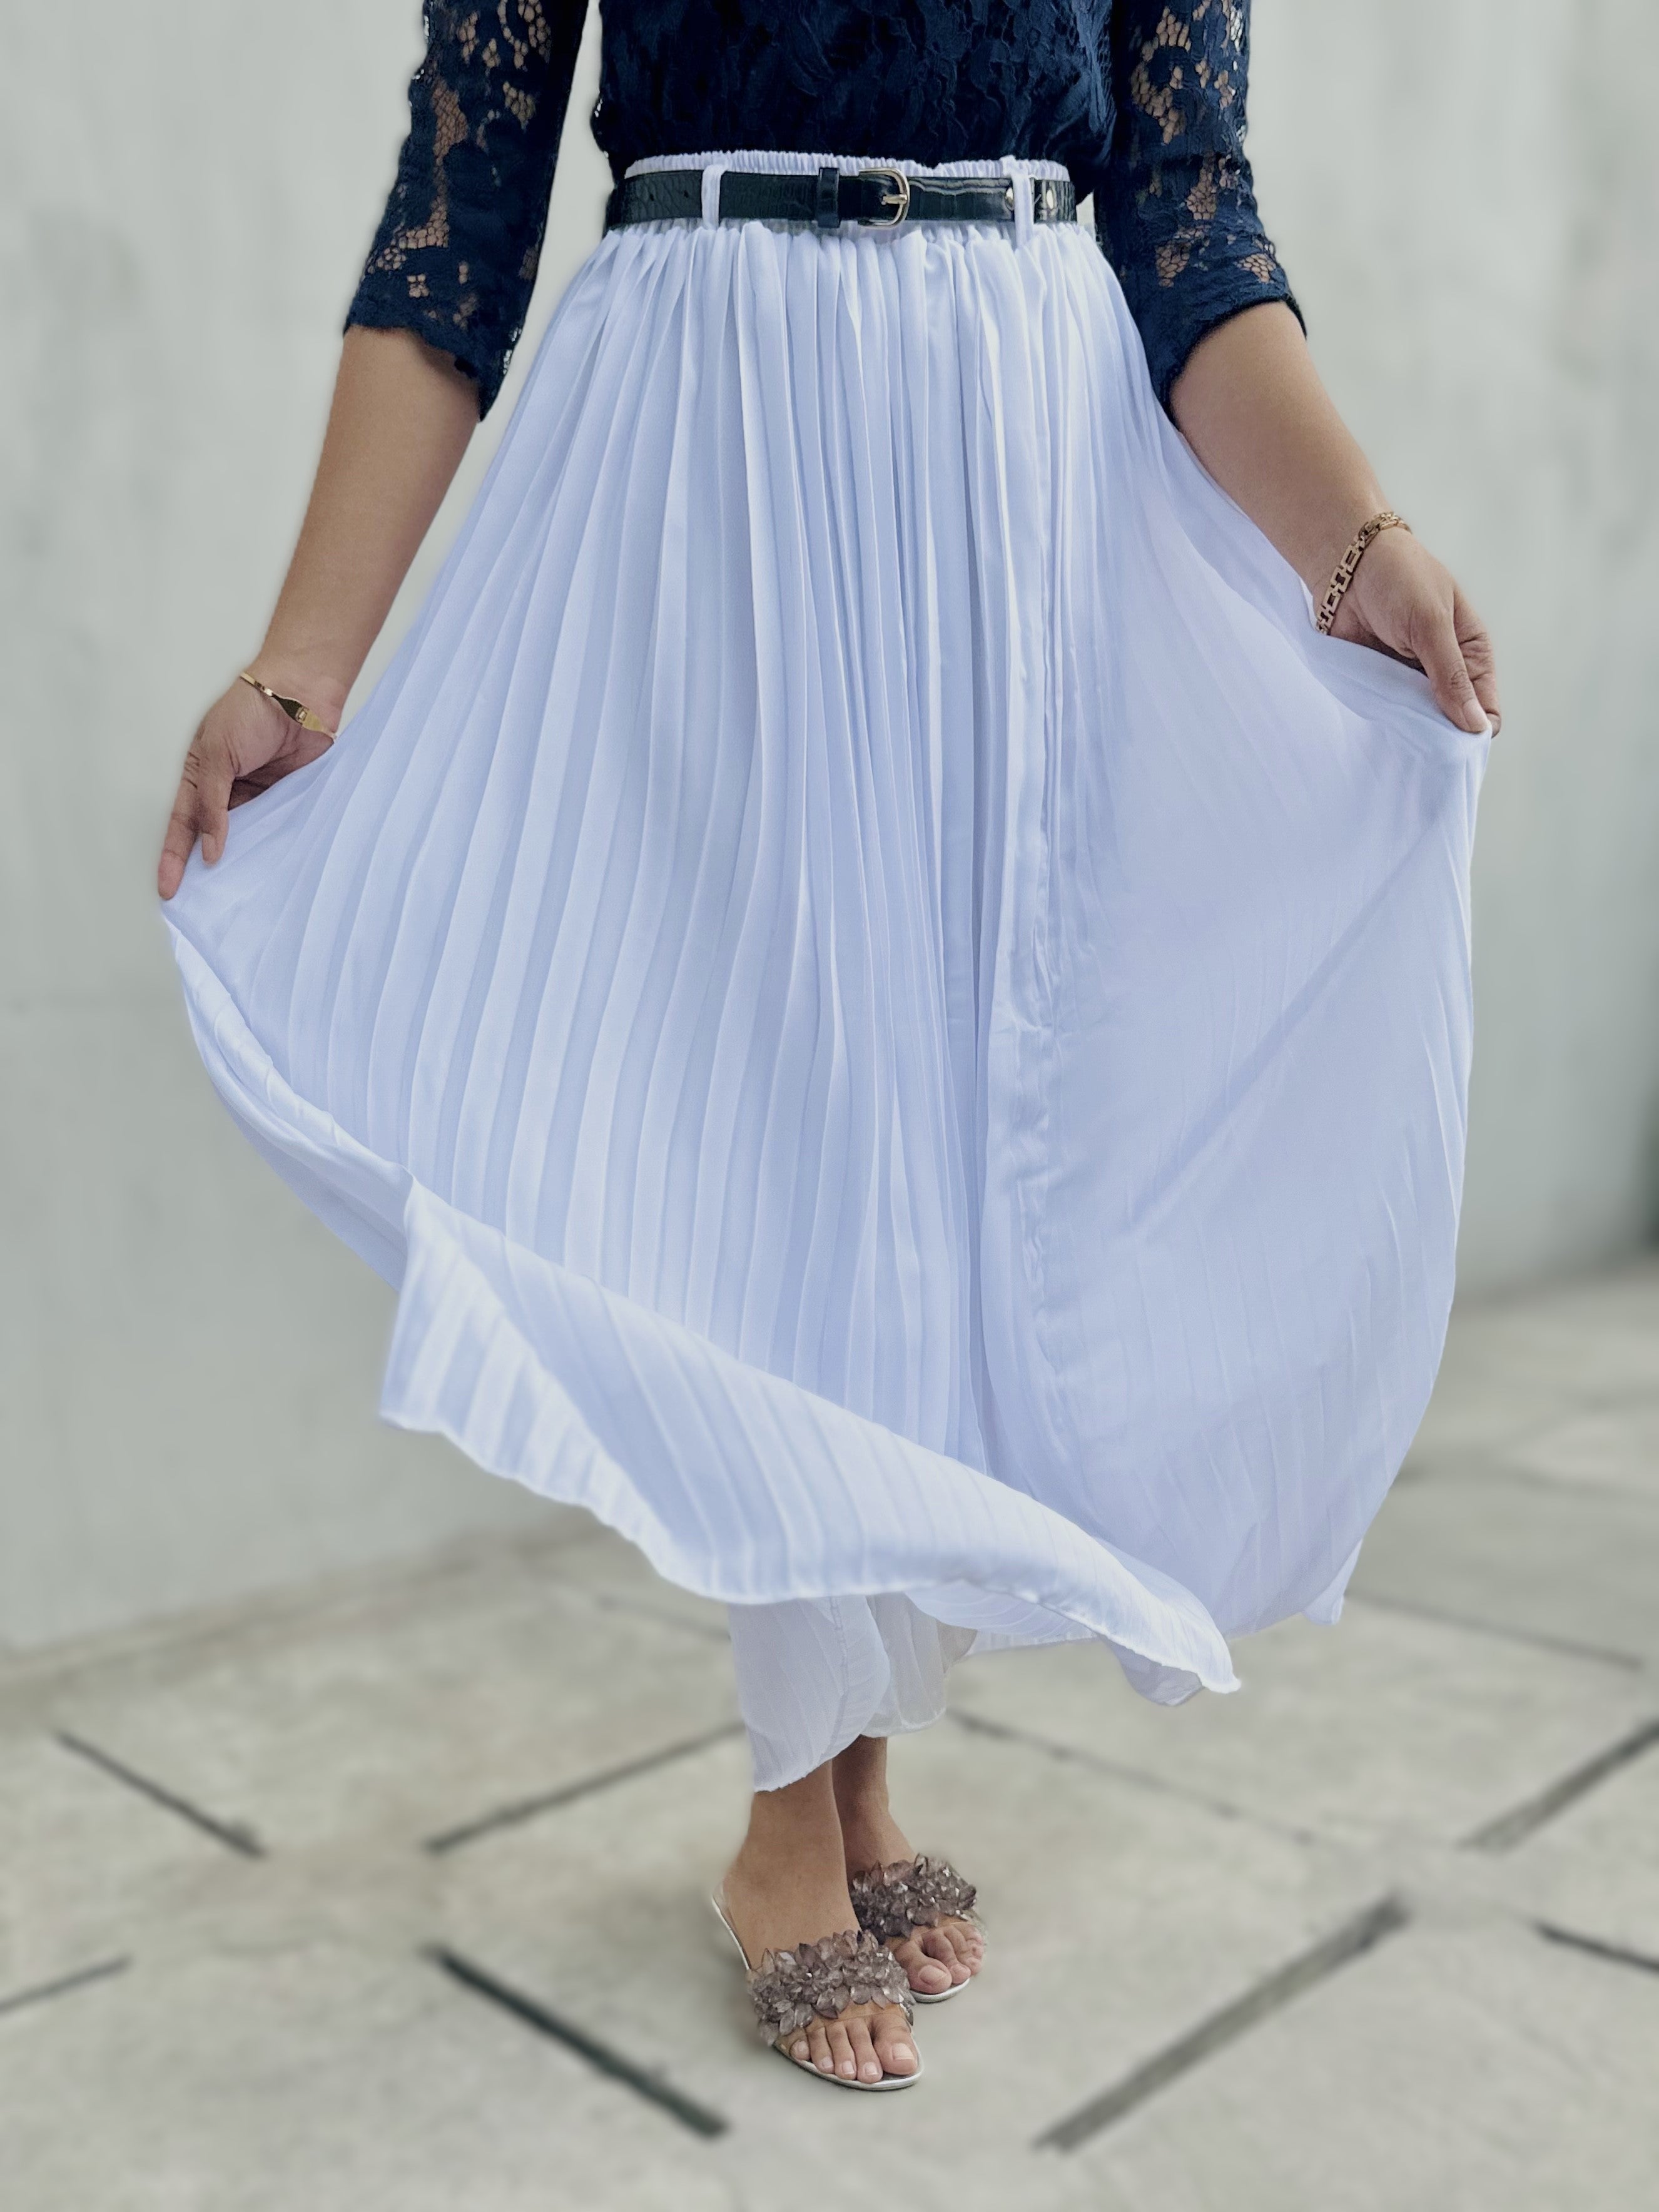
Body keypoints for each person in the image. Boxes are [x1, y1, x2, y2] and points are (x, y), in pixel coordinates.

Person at [157, 2, 1498, 2091]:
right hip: (716, 440)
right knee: (791, 1124)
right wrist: (306, 663)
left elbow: (1189, 219)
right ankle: (790, 1814)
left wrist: (1352, 542)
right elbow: (461, 207)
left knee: (947, 1136)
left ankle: (854, 1779)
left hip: (1022, 458)